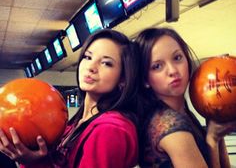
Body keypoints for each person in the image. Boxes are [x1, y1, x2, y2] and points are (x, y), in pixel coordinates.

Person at [0, 29, 140, 168]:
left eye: (106, 63)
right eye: (88, 57)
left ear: (123, 78)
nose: (91, 67)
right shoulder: (75, 123)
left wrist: (35, 163)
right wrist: (31, 155)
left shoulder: (110, 130)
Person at [135, 27, 236, 168]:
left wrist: (218, 134)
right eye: (157, 66)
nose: (173, 71)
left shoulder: (181, 113)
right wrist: (212, 141)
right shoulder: (171, 127)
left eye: (177, 58)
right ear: (145, 79)